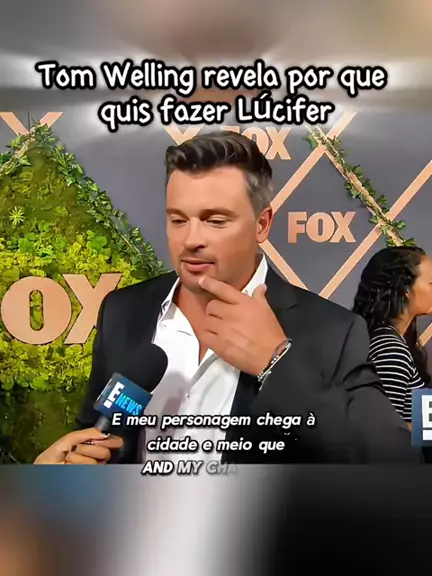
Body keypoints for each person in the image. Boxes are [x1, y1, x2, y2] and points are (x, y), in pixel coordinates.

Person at [35, 131, 421, 465]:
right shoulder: (123, 312)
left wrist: (276, 362)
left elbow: (390, 460)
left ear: (262, 224)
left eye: (215, 221)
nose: (191, 240)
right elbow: (96, 435)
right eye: (178, 219)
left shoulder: (333, 333)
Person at [353, 246, 432, 425]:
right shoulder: (390, 350)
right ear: (405, 289)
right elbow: (382, 429)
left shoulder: (394, 342)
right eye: (431, 283)